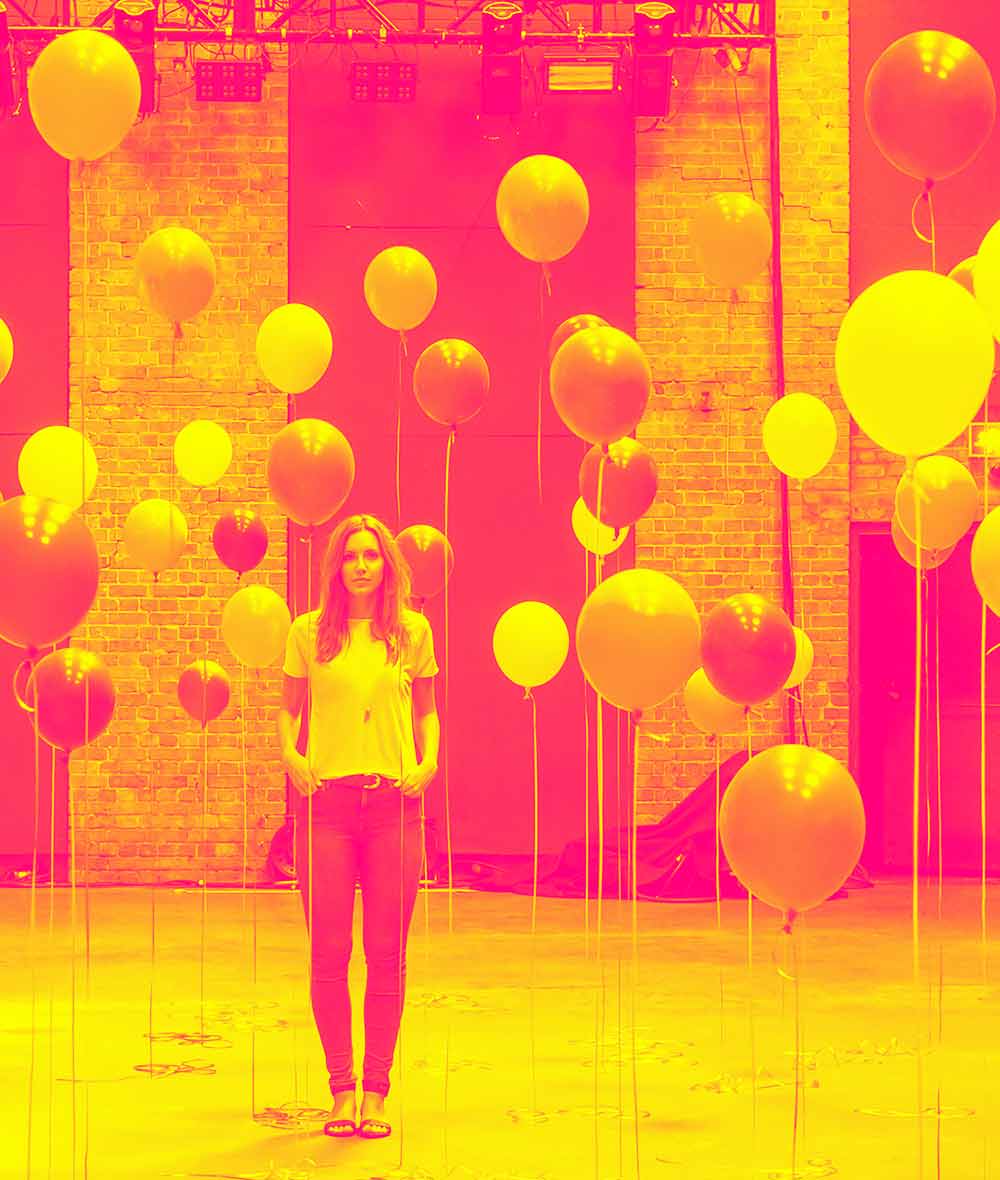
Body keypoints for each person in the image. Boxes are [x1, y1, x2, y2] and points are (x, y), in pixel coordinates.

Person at [278, 514, 440, 1140]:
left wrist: (429, 761)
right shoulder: (308, 634)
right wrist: (289, 754)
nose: (363, 565)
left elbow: (427, 714)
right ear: (337, 567)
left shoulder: (411, 634)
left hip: (395, 808)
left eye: (373, 555)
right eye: (352, 556)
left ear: (388, 565)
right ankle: (340, 1091)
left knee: (386, 956)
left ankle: (376, 1092)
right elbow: (289, 711)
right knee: (328, 954)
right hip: (326, 811)